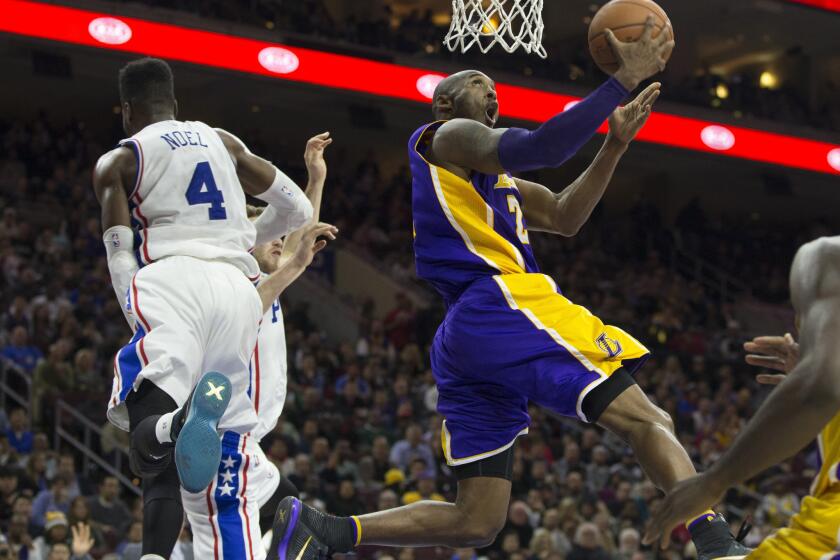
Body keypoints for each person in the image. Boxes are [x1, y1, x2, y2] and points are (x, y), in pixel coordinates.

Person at [272, 17, 745, 560]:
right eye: (478, 86)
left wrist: (612, 147)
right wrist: (620, 81)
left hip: (465, 335)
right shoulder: (445, 138)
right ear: (444, 105)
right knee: (648, 419)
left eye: (495, 92)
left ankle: (323, 530)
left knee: (478, 520)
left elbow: (566, 216)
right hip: (500, 302)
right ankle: (714, 538)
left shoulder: (500, 185)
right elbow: (540, 146)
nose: (492, 95)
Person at [95, 57, 332, 558]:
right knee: (221, 453)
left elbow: (119, 254)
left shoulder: (119, 161)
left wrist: (137, 316)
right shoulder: (222, 140)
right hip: (236, 288)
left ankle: (172, 426)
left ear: (125, 112)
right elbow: (297, 212)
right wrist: (242, 237)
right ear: (176, 106)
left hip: (175, 280)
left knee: (146, 431)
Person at [180, 132, 332, 560]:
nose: (280, 243)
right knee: (276, 517)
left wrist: (315, 179)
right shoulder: (237, 281)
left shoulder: (269, 278)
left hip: (251, 436)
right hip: (226, 431)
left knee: (284, 514)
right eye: (271, 236)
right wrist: (298, 263)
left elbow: (299, 240)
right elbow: (291, 259)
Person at [644, 239, 840, 558]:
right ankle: (715, 540)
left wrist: (713, 482)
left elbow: (820, 390)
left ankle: (713, 538)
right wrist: (818, 364)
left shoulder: (828, 255)